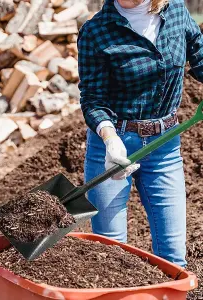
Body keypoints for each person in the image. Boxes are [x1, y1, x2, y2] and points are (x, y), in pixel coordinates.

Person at [77, 0, 203, 267]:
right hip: (112, 146)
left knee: (173, 254)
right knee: (111, 252)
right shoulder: (96, 31)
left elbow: (200, 56)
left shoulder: (176, 11)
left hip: (165, 144)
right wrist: (110, 139)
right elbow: (92, 100)